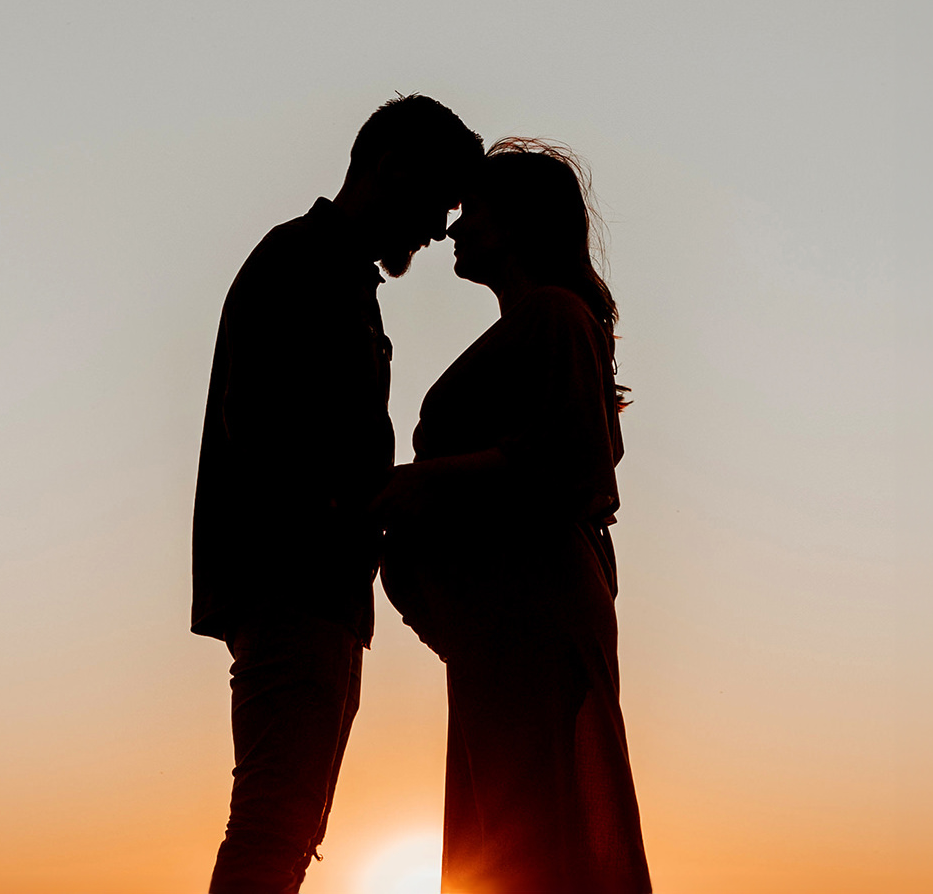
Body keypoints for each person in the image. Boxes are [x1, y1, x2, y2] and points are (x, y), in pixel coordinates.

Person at [191, 95, 483, 894]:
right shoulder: (303, 264)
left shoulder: (336, 274)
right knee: (273, 828)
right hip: (293, 585)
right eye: (438, 201)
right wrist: (372, 506)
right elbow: (269, 435)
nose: (437, 228)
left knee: (285, 829)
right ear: (390, 166)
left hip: (314, 590)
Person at [375, 139, 651, 894]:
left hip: (533, 609)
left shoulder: (556, 317)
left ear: (522, 221)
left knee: (532, 820)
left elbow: (568, 458)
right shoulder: (534, 324)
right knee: (509, 821)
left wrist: (419, 483)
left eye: (475, 212)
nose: (456, 230)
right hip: (500, 620)